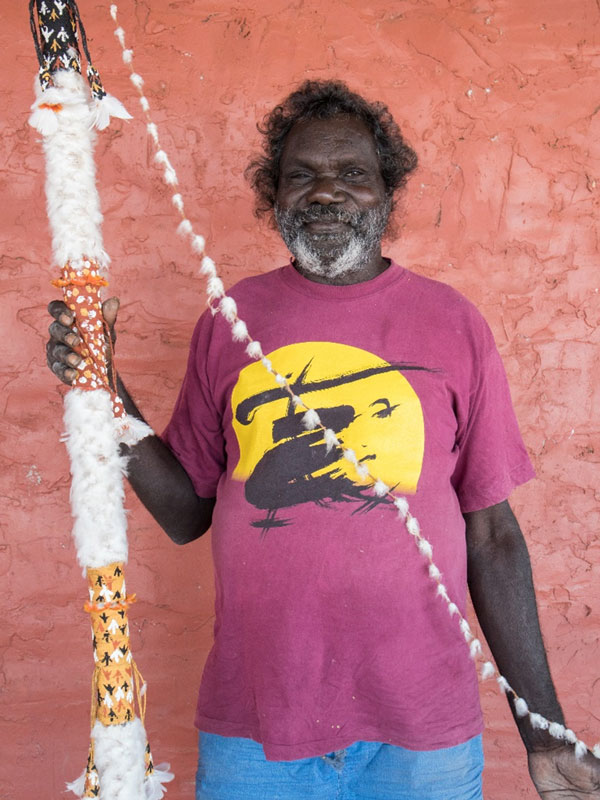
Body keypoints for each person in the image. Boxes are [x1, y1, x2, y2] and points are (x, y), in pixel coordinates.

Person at [47, 80, 600, 800]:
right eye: (301, 175)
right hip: (256, 732)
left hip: (422, 732)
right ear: (273, 196)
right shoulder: (230, 319)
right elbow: (186, 514)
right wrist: (102, 390)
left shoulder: (453, 323)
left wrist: (546, 729)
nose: (326, 193)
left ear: (388, 196)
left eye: (353, 175)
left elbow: (492, 536)